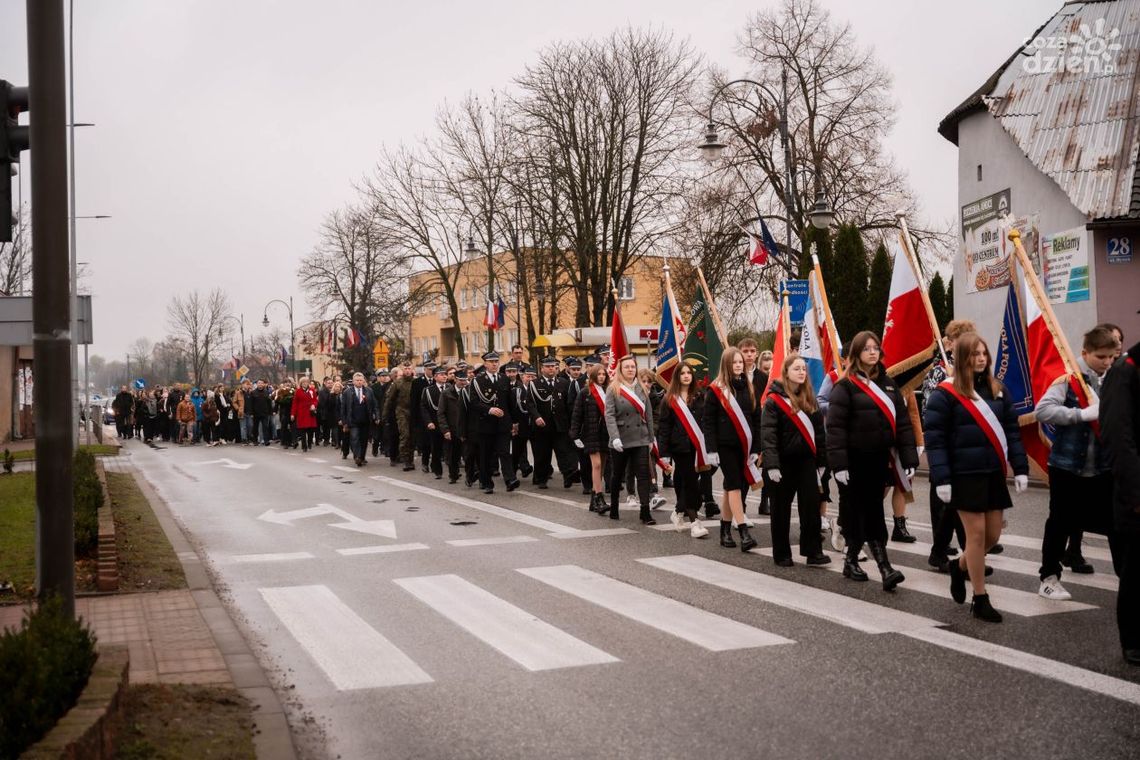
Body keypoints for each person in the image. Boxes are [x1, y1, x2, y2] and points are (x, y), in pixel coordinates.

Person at [924, 332, 1029, 622]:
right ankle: (980, 599)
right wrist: (942, 477)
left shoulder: (998, 390)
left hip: (992, 473)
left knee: (992, 536)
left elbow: (1012, 431)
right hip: (963, 475)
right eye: (974, 354)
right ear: (961, 359)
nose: (981, 359)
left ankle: (959, 567)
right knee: (977, 535)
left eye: (984, 353)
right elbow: (935, 439)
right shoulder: (945, 394)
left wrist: (1020, 468)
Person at [826, 331, 919, 591]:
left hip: (880, 460)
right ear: (856, 353)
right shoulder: (844, 387)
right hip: (854, 462)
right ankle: (884, 568)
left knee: (870, 512)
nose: (872, 352)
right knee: (861, 514)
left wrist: (909, 455)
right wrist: (839, 464)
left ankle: (851, 559)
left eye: (875, 347)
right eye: (866, 348)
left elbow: (902, 423)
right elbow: (835, 428)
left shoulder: (888, 384)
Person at [1034, 326, 1118, 600]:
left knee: (1117, 524)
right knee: (1061, 523)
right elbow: (1043, 410)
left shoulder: (1115, 378)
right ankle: (1048, 577)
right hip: (1068, 466)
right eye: (1101, 357)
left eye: (1111, 357)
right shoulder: (1068, 379)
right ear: (1085, 353)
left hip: (1103, 467)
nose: (1107, 362)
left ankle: (1128, 577)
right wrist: (1080, 414)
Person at [761, 356, 829, 566]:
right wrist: (771, 464)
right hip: (782, 463)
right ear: (786, 371)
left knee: (811, 506)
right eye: (796, 368)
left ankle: (813, 551)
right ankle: (782, 553)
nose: (801, 372)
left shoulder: (810, 398)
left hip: (806, 462)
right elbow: (768, 434)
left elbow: (819, 433)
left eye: (803, 369)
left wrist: (822, 460)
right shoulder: (774, 401)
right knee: (781, 510)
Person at [921, 319, 976, 571]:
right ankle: (942, 549)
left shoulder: (973, 369)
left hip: (968, 445)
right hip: (945, 444)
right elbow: (930, 408)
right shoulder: (940, 371)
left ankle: (967, 552)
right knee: (944, 502)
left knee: (961, 501)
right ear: (950, 344)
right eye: (960, 340)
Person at [1100, 330, 1140, 665]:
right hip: (1135, 493)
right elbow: (1118, 438)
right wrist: (1136, 493)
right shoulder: (1124, 371)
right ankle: (1133, 639)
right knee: (1136, 570)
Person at [701, 347, 762, 551]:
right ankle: (743, 532)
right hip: (724, 446)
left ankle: (725, 531)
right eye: (734, 362)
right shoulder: (716, 389)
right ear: (727, 365)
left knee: (730, 487)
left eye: (740, 362)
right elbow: (708, 422)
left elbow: (756, 418)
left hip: (744, 446)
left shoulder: (749, 387)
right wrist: (711, 450)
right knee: (735, 484)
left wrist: (756, 447)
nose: (738, 365)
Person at [656, 361, 710, 538]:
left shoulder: (700, 395)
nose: (686, 376)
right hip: (680, 447)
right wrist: (663, 454)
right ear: (677, 377)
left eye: (689, 373)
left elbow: (706, 421)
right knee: (690, 481)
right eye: (682, 373)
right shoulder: (669, 399)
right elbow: (664, 427)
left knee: (691, 480)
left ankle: (679, 510)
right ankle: (695, 521)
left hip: (699, 445)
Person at [604, 355, 656, 525]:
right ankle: (614, 507)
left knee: (643, 475)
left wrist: (651, 437)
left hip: (640, 438)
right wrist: (615, 437)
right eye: (626, 367)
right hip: (620, 439)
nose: (630, 369)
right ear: (621, 369)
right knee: (617, 475)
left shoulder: (641, 387)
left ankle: (645, 512)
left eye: (633, 367)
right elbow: (609, 415)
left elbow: (648, 413)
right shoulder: (613, 388)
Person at [469, 352, 519, 494]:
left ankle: (510, 479)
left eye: (496, 361)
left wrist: (514, 422)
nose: (494, 364)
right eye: (491, 362)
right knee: (486, 454)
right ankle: (486, 482)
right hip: (485, 424)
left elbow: (510, 402)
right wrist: (489, 409)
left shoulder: (504, 379)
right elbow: (473, 403)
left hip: (503, 423)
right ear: (485, 364)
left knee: (504, 452)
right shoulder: (477, 381)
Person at [530, 357, 580, 490]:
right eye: (548, 366)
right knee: (543, 454)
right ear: (542, 369)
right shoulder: (534, 384)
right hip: (543, 425)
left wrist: (571, 423)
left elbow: (568, 404)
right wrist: (536, 417)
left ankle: (567, 476)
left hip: (560, 425)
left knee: (563, 452)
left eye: (553, 366)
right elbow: (530, 403)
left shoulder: (563, 383)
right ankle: (542, 479)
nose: (551, 369)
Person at [571, 363, 612, 515]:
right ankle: (600, 498)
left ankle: (594, 499)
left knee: (602, 466)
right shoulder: (585, 392)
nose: (601, 377)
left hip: (606, 433)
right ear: (593, 375)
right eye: (599, 374)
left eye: (603, 374)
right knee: (596, 464)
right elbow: (576, 415)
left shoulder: (609, 391)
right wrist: (574, 435)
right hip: (591, 433)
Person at [340, 372, 378, 466]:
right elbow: (343, 408)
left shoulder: (369, 391)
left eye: (361, 380)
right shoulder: (347, 392)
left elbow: (374, 405)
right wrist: (344, 421)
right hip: (353, 420)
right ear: (353, 381)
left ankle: (362, 457)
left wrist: (376, 415)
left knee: (363, 440)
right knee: (354, 438)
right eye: (357, 380)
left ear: (363, 381)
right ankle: (357, 456)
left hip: (365, 419)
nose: (359, 382)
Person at [438, 368, 468, 484]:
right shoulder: (446, 393)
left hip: (466, 428)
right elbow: (441, 413)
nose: (463, 383)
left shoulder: (469, 391)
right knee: (453, 455)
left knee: (469, 454)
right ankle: (453, 475)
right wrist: (445, 430)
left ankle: (470, 476)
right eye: (461, 380)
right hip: (452, 428)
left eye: (465, 380)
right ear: (455, 379)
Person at [383, 364, 416, 471]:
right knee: (404, 435)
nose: (407, 370)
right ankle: (405, 459)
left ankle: (411, 460)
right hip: (401, 411)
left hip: (414, 412)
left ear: (412, 370)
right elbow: (389, 400)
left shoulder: (416, 382)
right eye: (405, 369)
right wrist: (385, 415)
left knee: (412, 437)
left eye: (409, 368)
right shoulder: (397, 383)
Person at [420, 365, 448, 479]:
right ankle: (437, 470)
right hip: (435, 422)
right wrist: (428, 422)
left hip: (448, 422)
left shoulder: (450, 388)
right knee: (436, 448)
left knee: (450, 448)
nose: (444, 376)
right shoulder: (428, 391)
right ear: (435, 377)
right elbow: (424, 407)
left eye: (445, 374)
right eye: (442, 375)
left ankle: (453, 471)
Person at [291, 376, 320, 452]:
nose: (305, 383)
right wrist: (293, 414)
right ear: (301, 383)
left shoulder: (312, 390)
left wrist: (314, 405)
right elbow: (295, 403)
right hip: (301, 413)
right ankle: (304, 446)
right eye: (303, 382)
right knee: (302, 431)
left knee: (310, 430)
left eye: (306, 382)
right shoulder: (298, 391)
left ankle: (309, 442)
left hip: (310, 413)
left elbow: (315, 400)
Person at [411, 364, 431, 473]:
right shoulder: (417, 382)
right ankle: (425, 463)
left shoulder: (438, 382)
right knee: (426, 442)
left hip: (436, 416)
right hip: (423, 417)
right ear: (425, 370)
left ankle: (436, 464)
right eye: (430, 369)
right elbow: (414, 402)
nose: (431, 371)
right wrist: (415, 419)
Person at [371, 370, 391, 459]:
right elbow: (372, 402)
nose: (384, 377)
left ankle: (385, 450)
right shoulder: (374, 387)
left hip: (386, 413)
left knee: (386, 433)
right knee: (377, 434)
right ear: (378, 378)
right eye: (382, 376)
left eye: (386, 376)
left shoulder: (389, 386)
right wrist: (375, 415)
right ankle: (375, 448)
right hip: (377, 412)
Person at [248, 379, 273, 446]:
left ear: (263, 384)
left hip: (265, 413)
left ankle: (266, 441)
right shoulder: (253, 393)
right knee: (255, 428)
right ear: (257, 384)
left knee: (265, 427)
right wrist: (251, 413)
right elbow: (250, 404)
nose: (260, 384)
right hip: (256, 413)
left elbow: (269, 403)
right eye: (259, 383)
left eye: (261, 383)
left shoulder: (266, 392)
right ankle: (255, 440)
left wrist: (271, 411)